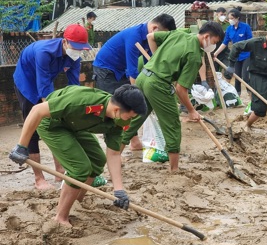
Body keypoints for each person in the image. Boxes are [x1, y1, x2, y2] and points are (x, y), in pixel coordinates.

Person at [9, 84, 147, 227]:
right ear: (117, 109)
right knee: (80, 168)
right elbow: (37, 110)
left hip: (74, 125)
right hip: (52, 125)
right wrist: (22, 146)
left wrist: (119, 190)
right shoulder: (84, 100)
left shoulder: (118, 120)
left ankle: (75, 202)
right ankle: (60, 217)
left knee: (98, 160)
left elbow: (113, 153)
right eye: (131, 116)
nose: (131, 120)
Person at [122, 22, 225, 172]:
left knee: (136, 117)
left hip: (143, 77)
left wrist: (155, 59)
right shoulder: (195, 56)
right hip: (158, 85)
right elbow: (180, 90)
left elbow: (151, 36)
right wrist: (191, 111)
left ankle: (114, 152)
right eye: (214, 42)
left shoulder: (180, 33)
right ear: (207, 36)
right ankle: (174, 169)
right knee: (172, 125)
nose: (213, 46)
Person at [13, 24, 91, 190]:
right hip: (27, 83)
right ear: (64, 42)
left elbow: (74, 86)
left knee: (57, 123)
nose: (78, 51)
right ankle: (38, 178)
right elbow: (44, 87)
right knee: (35, 126)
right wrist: (52, 110)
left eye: (81, 48)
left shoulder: (74, 57)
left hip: (44, 82)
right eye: (75, 47)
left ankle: (59, 170)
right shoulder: (44, 52)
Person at [92, 14, 176, 151]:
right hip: (105, 69)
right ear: (155, 28)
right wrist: (141, 95)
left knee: (127, 107)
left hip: (120, 69)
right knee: (113, 107)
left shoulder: (148, 38)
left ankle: (134, 141)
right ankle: (112, 150)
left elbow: (150, 63)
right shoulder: (134, 37)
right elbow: (133, 73)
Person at [213, 8, 253, 96]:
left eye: (232, 18)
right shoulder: (229, 29)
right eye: (229, 18)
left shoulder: (245, 27)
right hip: (236, 56)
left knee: (245, 78)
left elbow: (251, 41)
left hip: (247, 55)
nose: (230, 20)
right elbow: (224, 43)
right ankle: (237, 98)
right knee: (237, 78)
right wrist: (216, 53)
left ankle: (252, 98)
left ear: (237, 18)